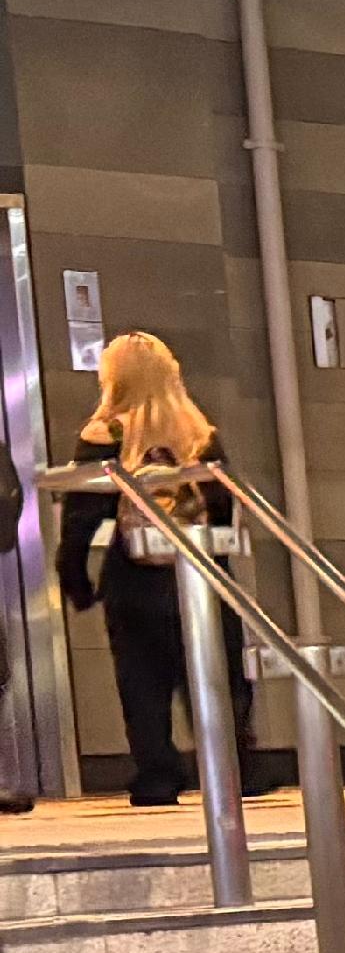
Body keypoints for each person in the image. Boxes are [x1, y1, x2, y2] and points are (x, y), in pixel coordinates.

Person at [57, 334, 255, 807]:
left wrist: (77, 583)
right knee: (219, 676)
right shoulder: (200, 433)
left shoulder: (104, 436)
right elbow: (222, 514)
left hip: (134, 578)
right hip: (204, 574)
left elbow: (79, 521)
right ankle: (235, 770)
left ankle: (157, 775)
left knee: (142, 681)